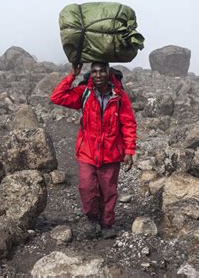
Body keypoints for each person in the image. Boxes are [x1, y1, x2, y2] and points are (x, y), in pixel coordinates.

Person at [50, 61, 137, 238]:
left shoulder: (119, 96)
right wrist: (72, 75)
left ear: (108, 72)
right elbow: (57, 97)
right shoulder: (85, 93)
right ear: (91, 73)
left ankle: (107, 224)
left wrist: (129, 151)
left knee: (109, 191)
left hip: (111, 153)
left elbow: (128, 124)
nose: (98, 75)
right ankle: (92, 220)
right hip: (87, 152)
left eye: (102, 71)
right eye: (94, 71)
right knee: (86, 188)